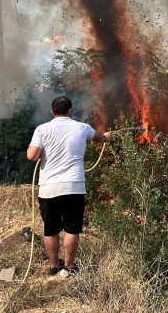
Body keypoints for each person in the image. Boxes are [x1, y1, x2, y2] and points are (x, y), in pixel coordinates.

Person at [26, 96, 110, 276]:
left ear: (52, 111)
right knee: (72, 229)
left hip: (49, 189)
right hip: (74, 187)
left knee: (51, 230)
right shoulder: (82, 127)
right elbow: (99, 137)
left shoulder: (42, 129)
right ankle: (69, 267)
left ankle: (54, 266)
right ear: (70, 111)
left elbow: (32, 156)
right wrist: (107, 137)